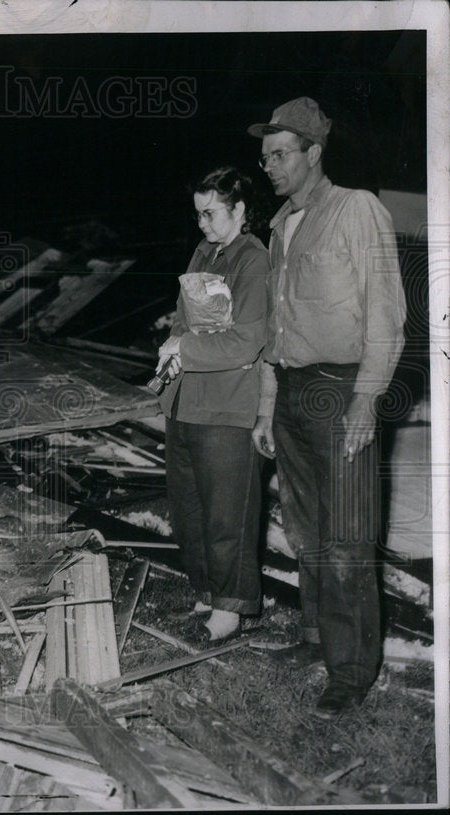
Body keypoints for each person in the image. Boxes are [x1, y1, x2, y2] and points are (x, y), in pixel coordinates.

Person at [247, 97, 406, 718]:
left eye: (281, 154)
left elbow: (386, 312)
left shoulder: (356, 209)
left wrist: (367, 399)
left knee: (345, 539)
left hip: (341, 391)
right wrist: (266, 408)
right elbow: (274, 330)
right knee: (305, 527)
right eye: (264, 158)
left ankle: (352, 670)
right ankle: (317, 638)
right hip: (291, 392)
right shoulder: (281, 225)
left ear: (315, 153)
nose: (270, 166)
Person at [155, 166, 269, 646]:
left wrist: (185, 349)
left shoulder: (253, 260)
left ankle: (231, 606)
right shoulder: (204, 252)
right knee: (190, 510)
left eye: (210, 213)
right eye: (197, 214)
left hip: (227, 406)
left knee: (228, 514)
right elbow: (186, 320)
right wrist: (171, 348)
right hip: (186, 403)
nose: (201, 223)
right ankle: (205, 590)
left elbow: (246, 341)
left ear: (239, 210)